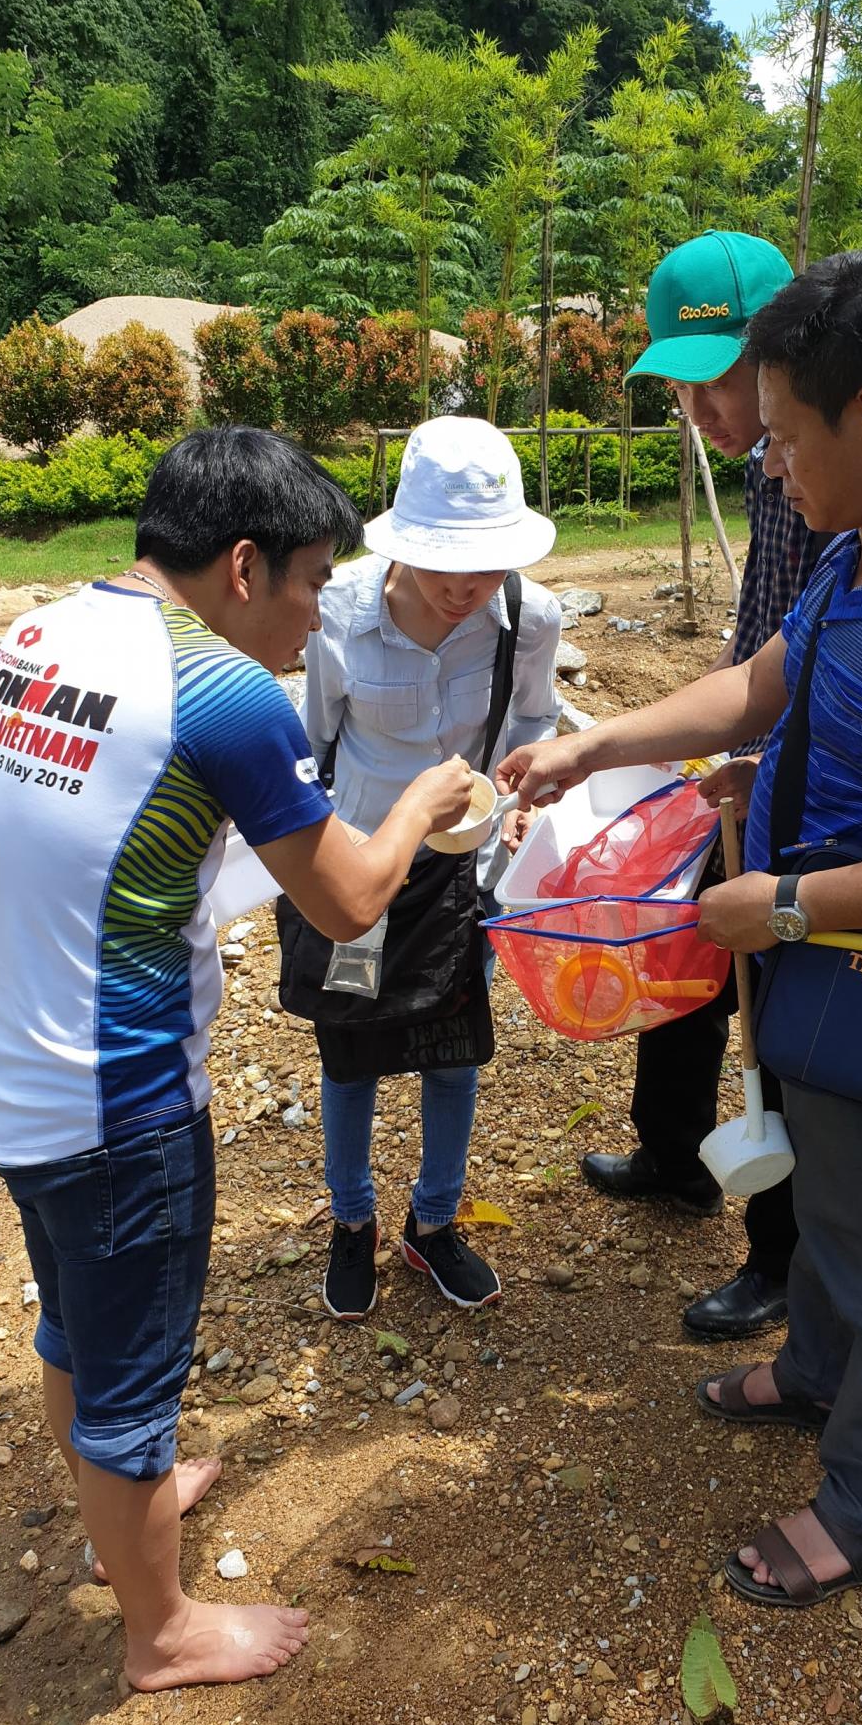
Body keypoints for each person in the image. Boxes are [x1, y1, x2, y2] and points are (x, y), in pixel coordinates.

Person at [499, 252, 862, 1608]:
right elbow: (768, 680)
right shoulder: (859, 549)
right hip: (816, 952)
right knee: (823, 1186)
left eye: (789, 434)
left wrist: (798, 901)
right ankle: (817, 1369)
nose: (771, 466)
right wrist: (600, 749)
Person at [0, 427, 475, 1690]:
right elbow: (349, 899)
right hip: (117, 1100)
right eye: (307, 582)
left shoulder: (35, 638)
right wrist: (418, 804)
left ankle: (118, 1502)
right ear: (243, 565)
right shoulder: (225, 691)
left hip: (9, 1076)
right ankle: (162, 1628)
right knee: (131, 1374)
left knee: (74, 1324)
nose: (315, 615)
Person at [580, 229, 827, 1344]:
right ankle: (672, 1153)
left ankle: (778, 1254)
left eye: (712, 383)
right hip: (758, 758)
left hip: (818, 793)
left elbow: (798, 671)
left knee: (773, 1014)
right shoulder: (769, 471)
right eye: (678, 390)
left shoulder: (821, 474)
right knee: (687, 942)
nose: (700, 413)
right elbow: (757, 656)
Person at [302, 415, 562, 1321]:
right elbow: (312, 744)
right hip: (359, 870)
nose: (466, 587)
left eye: (485, 564)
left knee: (456, 1051)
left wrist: (521, 788)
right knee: (354, 1054)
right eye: (448, 562)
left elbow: (535, 720)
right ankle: (352, 1220)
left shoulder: (528, 616)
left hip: (469, 876)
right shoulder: (335, 611)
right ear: (403, 544)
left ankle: (435, 1219)